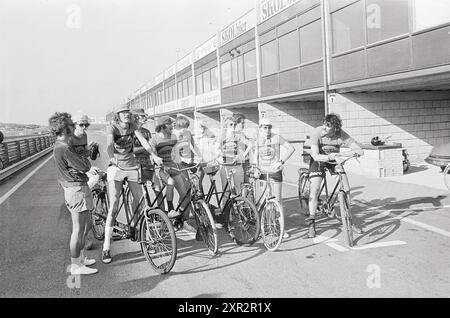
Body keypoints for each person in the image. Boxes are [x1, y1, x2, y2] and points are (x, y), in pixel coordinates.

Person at [102, 104, 162, 264]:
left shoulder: (133, 126)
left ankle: (143, 236)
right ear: (118, 115)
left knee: (141, 203)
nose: (127, 115)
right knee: (114, 205)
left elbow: (143, 141)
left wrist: (153, 155)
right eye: (123, 113)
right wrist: (111, 156)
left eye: (128, 113)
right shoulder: (113, 127)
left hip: (132, 167)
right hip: (116, 167)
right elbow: (109, 144)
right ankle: (106, 247)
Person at [49, 112, 98, 275]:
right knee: (78, 229)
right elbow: (85, 167)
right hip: (76, 189)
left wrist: (83, 158)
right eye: (71, 124)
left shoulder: (60, 145)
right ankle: (76, 266)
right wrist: (85, 159)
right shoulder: (65, 148)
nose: (74, 126)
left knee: (83, 227)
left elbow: (81, 163)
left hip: (75, 187)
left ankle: (81, 259)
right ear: (64, 128)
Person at [307, 113, 364, 238]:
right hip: (319, 160)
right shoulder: (317, 132)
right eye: (325, 125)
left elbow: (360, 150)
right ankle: (312, 223)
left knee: (346, 188)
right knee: (315, 189)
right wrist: (329, 156)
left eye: (329, 127)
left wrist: (344, 155)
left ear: (336, 128)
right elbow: (315, 155)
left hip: (334, 160)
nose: (325, 129)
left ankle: (348, 219)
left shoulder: (341, 134)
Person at [149, 115, 196, 233]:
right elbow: (153, 155)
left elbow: (178, 151)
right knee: (170, 182)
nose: (172, 126)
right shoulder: (154, 140)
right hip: (162, 169)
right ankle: (170, 209)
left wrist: (186, 160)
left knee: (185, 194)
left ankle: (181, 219)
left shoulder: (174, 137)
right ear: (163, 126)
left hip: (174, 167)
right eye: (170, 124)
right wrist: (156, 159)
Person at [256, 118, 294, 239]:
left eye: (269, 127)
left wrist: (281, 161)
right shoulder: (257, 140)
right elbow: (254, 156)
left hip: (275, 172)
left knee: (277, 201)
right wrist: (255, 168)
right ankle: (267, 225)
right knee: (264, 201)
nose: (267, 130)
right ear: (260, 128)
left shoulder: (276, 137)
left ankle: (280, 227)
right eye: (264, 127)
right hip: (262, 172)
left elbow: (291, 148)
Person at [71, 114, 98, 250]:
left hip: (83, 171)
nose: (83, 127)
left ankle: (83, 238)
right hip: (74, 176)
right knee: (80, 218)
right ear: (74, 124)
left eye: (86, 125)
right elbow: (70, 159)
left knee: (87, 216)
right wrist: (87, 168)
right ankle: (81, 244)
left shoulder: (84, 136)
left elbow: (85, 154)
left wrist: (90, 148)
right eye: (81, 124)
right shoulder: (69, 138)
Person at [132, 108, 164, 209]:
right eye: (142, 116)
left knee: (158, 188)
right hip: (135, 164)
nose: (145, 118)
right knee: (142, 193)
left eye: (145, 116)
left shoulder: (146, 132)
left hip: (148, 163)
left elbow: (152, 147)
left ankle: (163, 214)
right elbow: (131, 150)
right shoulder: (131, 132)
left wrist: (156, 155)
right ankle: (143, 216)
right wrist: (146, 149)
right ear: (136, 117)